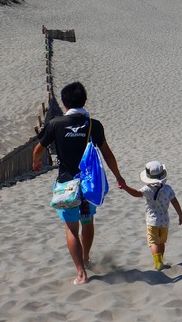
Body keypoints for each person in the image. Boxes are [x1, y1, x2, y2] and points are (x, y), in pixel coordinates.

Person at [32, 81, 126, 285]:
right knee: (87, 221)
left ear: (65, 103)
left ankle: (81, 273)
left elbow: (38, 148)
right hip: (88, 186)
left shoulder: (55, 124)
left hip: (66, 184)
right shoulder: (93, 125)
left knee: (71, 229)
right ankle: (86, 258)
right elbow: (108, 155)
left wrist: (36, 162)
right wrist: (119, 177)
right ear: (84, 100)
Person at [121, 160, 182, 271]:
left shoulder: (147, 189)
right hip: (164, 221)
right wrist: (180, 215)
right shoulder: (168, 189)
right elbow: (175, 202)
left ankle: (157, 263)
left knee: (153, 242)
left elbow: (136, 193)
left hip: (152, 221)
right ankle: (160, 261)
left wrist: (126, 187)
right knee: (161, 242)